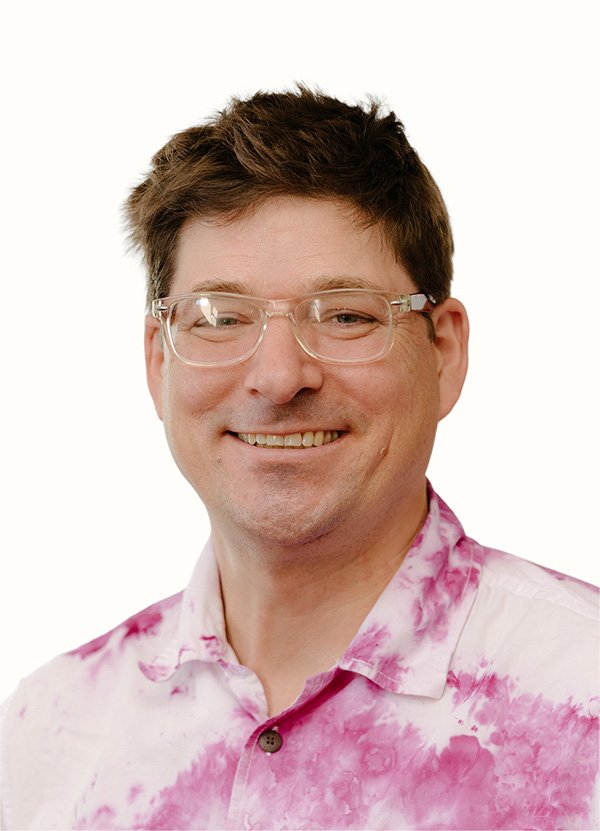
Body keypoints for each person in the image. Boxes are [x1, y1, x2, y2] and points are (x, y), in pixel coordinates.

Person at [1, 87, 598, 831]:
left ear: (443, 352)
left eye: (345, 314)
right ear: (158, 361)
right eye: (220, 317)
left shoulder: (585, 694)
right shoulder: (47, 734)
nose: (280, 377)